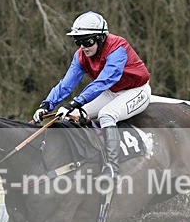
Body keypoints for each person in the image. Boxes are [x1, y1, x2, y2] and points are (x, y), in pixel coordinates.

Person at [33, 11, 151, 180]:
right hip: (111, 93)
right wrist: (47, 104)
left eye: (87, 41)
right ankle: (83, 160)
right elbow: (66, 84)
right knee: (71, 116)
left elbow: (104, 81)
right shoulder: (80, 56)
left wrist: (76, 101)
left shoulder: (118, 48)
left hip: (136, 90)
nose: (83, 47)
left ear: (101, 38)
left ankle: (112, 169)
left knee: (107, 115)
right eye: (78, 42)